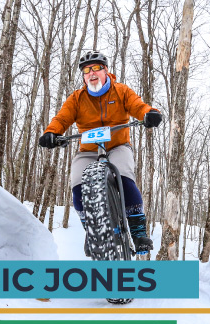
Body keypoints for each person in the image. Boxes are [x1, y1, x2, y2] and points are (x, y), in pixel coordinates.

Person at [39, 51, 162, 256]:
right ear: (83, 77)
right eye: (86, 70)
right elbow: (61, 119)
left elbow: (137, 106)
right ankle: (92, 231)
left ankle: (138, 232)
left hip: (117, 145)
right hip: (88, 150)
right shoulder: (77, 98)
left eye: (96, 68)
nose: (91, 73)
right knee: (77, 183)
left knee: (124, 176)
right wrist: (51, 133)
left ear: (106, 71)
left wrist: (149, 113)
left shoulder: (121, 91)